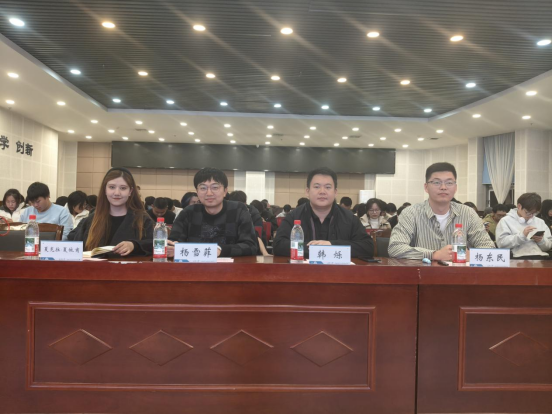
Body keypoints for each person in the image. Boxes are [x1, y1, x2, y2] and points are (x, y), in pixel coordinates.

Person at [389, 162, 494, 260]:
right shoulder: (410, 213)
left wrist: (471, 255)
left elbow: (489, 248)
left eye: (449, 183)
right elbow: (395, 248)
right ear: (426, 187)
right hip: (423, 272)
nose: (443, 187)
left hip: (460, 272)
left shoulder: (468, 213)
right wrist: (435, 254)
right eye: (436, 182)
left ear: (455, 187)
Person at [273, 167, 373, 258]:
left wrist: (331, 245)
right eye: (317, 187)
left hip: (339, 271)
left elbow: (367, 247)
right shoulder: (294, 216)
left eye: (328, 187)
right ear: (307, 191)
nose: (322, 191)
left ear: (335, 192)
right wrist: (314, 249)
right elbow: (278, 245)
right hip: (303, 270)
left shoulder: (349, 218)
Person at [168, 168, 258, 257]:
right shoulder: (188, 212)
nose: (209, 193)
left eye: (215, 187)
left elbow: (251, 246)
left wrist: (219, 250)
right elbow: (173, 242)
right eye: (203, 188)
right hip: (194, 265)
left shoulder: (238, 210)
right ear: (197, 192)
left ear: (225, 191)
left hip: (231, 265)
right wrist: (172, 246)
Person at [69, 167, 154, 256]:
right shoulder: (91, 220)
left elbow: (155, 244)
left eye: (123, 188)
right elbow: (75, 247)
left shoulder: (142, 220)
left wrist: (134, 245)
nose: (117, 193)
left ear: (130, 191)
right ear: (105, 190)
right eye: (112, 187)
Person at [496, 193, 552, 260]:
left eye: (534, 213)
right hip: (516, 258)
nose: (531, 216)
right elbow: (501, 244)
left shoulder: (540, 222)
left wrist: (541, 241)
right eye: (528, 212)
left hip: (539, 257)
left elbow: (548, 246)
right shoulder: (506, 221)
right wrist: (522, 236)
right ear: (519, 206)